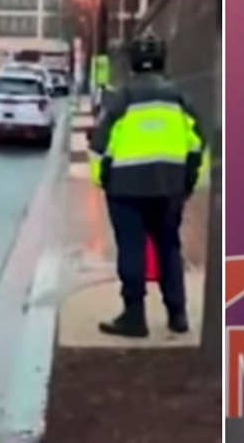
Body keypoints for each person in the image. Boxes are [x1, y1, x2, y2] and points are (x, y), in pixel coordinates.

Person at [90, 32, 205, 338]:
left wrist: (101, 178)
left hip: (126, 189)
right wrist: (187, 182)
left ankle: (134, 315)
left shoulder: (122, 99)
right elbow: (197, 145)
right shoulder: (180, 99)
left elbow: (99, 146)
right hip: (169, 188)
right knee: (169, 247)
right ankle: (177, 314)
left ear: (133, 63)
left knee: (132, 249)